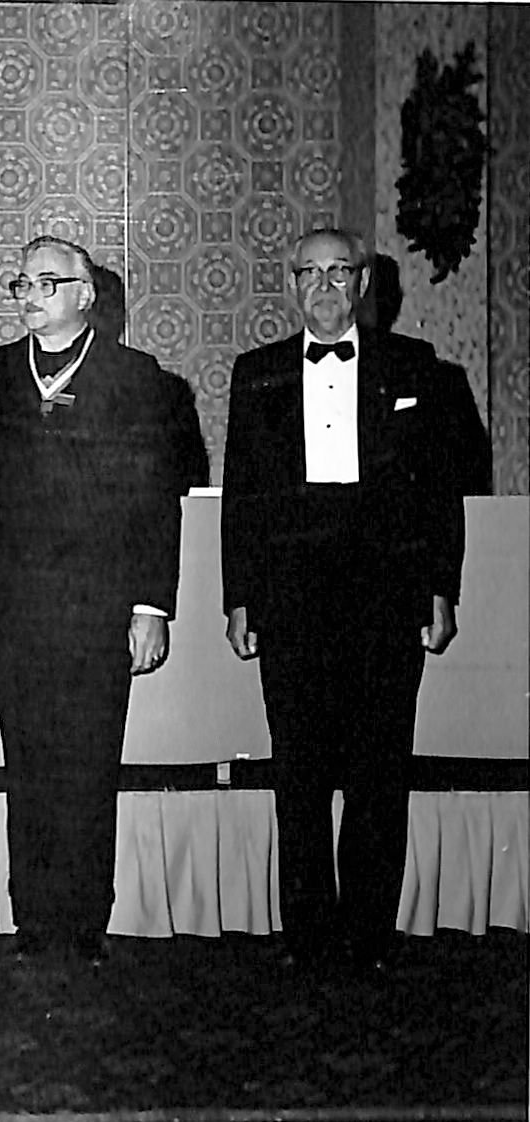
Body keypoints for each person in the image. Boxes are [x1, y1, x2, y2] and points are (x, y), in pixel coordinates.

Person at [220, 227, 465, 973]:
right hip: (291, 594)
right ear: (292, 284)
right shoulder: (257, 373)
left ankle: (367, 939)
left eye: (339, 272)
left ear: (362, 283)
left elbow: (439, 493)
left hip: (385, 592)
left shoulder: (415, 365)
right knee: (297, 774)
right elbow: (243, 496)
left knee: (378, 772)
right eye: (310, 273)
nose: (324, 286)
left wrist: (440, 588)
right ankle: (307, 939)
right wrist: (240, 597)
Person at [0, 235, 204, 964]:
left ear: (86, 295)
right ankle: (34, 919)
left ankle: (84, 920)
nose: (31, 296)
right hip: (15, 608)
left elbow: (157, 501)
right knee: (26, 765)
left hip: (99, 607)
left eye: (47, 282)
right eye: (21, 284)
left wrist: (151, 606)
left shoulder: (136, 378)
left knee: (90, 766)